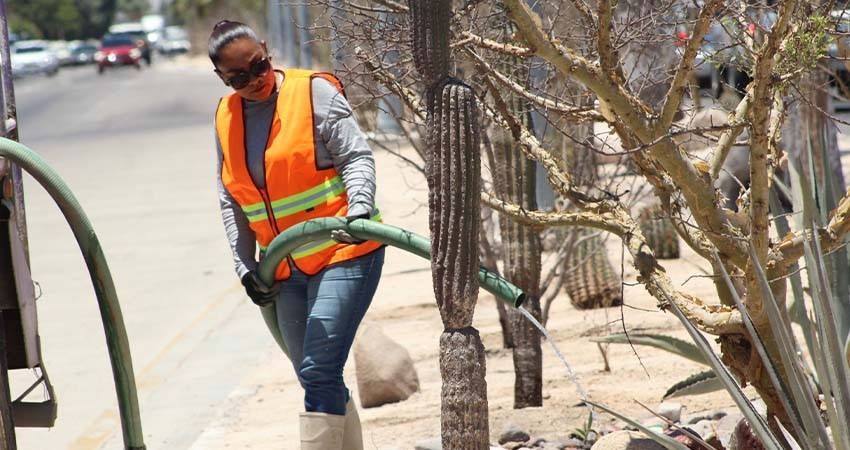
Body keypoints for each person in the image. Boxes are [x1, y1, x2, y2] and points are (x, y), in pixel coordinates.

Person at [209, 20, 385, 450]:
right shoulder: (225, 116)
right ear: (222, 79)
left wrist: (358, 210)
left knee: (319, 370)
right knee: (313, 373)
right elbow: (232, 198)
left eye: (259, 65)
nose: (255, 80)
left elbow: (357, 157)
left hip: (344, 252)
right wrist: (245, 266)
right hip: (283, 267)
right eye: (239, 78)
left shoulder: (313, 93)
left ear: (267, 51)